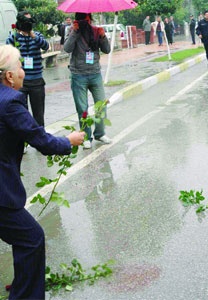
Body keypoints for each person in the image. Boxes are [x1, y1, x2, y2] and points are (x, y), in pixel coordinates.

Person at [0, 44, 85, 300]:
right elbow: (41, 140)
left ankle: (21, 286)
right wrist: (69, 141)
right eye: (20, 67)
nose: (24, 72)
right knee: (31, 238)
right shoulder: (10, 102)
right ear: (9, 76)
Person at [64, 12, 112, 149]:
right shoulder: (71, 30)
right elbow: (67, 48)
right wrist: (75, 31)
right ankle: (86, 136)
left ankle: (100, 133)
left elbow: (107, 50)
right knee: (82, 109)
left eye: (85, 20)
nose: (84, 22)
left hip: (95, 73)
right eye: (80, 20)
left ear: (90, 19)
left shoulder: (96, 31)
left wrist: (103, 37)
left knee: (101, 105)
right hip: (78, 75)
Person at [6, 11, 49, 127]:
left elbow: (46, 46)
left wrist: (33, 36)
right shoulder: (13, 38)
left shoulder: (37, 35)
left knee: (39, 115)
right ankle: (22, 141)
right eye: (26, 22)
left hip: (37, 81)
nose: (28, 24)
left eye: (30, 21)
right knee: (21, 114)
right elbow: (8, 57)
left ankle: (41, 141)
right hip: (20, 82)